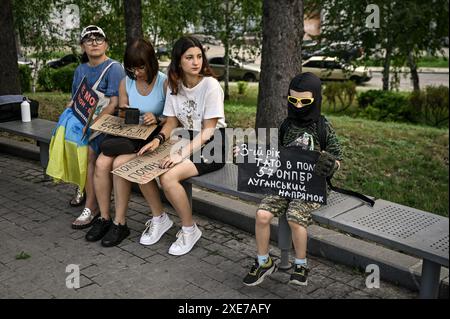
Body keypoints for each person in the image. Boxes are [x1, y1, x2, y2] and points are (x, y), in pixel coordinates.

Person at [242, 72, 343, 287]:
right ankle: (264, 261)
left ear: (316, 99)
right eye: (293, 100)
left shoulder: (323, 127)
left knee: (295, 217)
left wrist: (330, 164)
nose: (298, 106)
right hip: (286, 181)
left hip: (312, 186)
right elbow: (275, 154)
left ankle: (300, 264)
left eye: (304, 101)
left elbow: (337, 157)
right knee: (261, 215)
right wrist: (246, 156)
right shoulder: (286, 125)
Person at [135, 35, 227, 255]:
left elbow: (207, 131)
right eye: (189, 57)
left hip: (213, 144)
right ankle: (159, 219)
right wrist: (157, 141)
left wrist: (180, 155)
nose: (196, 62)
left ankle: (189, 229)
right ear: (179, 61)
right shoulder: (175, 85)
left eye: (199, 57)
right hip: (185, 138)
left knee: (168, 177)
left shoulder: (211, 85)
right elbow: (172, 122)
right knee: (142, 165)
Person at [86, 38, 168, 247]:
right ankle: (104, 217)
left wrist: (156, 118)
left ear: (151, 62)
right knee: (102, 162)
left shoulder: (164, 82)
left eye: (141, 67)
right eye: (132, 68)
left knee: (118, 164)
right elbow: (122, 109)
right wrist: (124, 111)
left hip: (152, 139)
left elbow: (173, 118)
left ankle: (119, 222)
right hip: (128, 136)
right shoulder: (126, 81)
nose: (137, 73)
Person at [46, 25, 125, 229]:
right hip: (84, 121)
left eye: (99, 39)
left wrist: (93, 124)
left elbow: (114, 104)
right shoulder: (80, 69)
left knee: (89, 153)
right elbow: (75, 98)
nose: (94, 43)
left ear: (106, 44)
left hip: (108, 124)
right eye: (89, 40)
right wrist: (71, 107)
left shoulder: (114, 68)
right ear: (82, 46)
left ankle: (91, 207)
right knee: (68, 142)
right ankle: (83, 187)